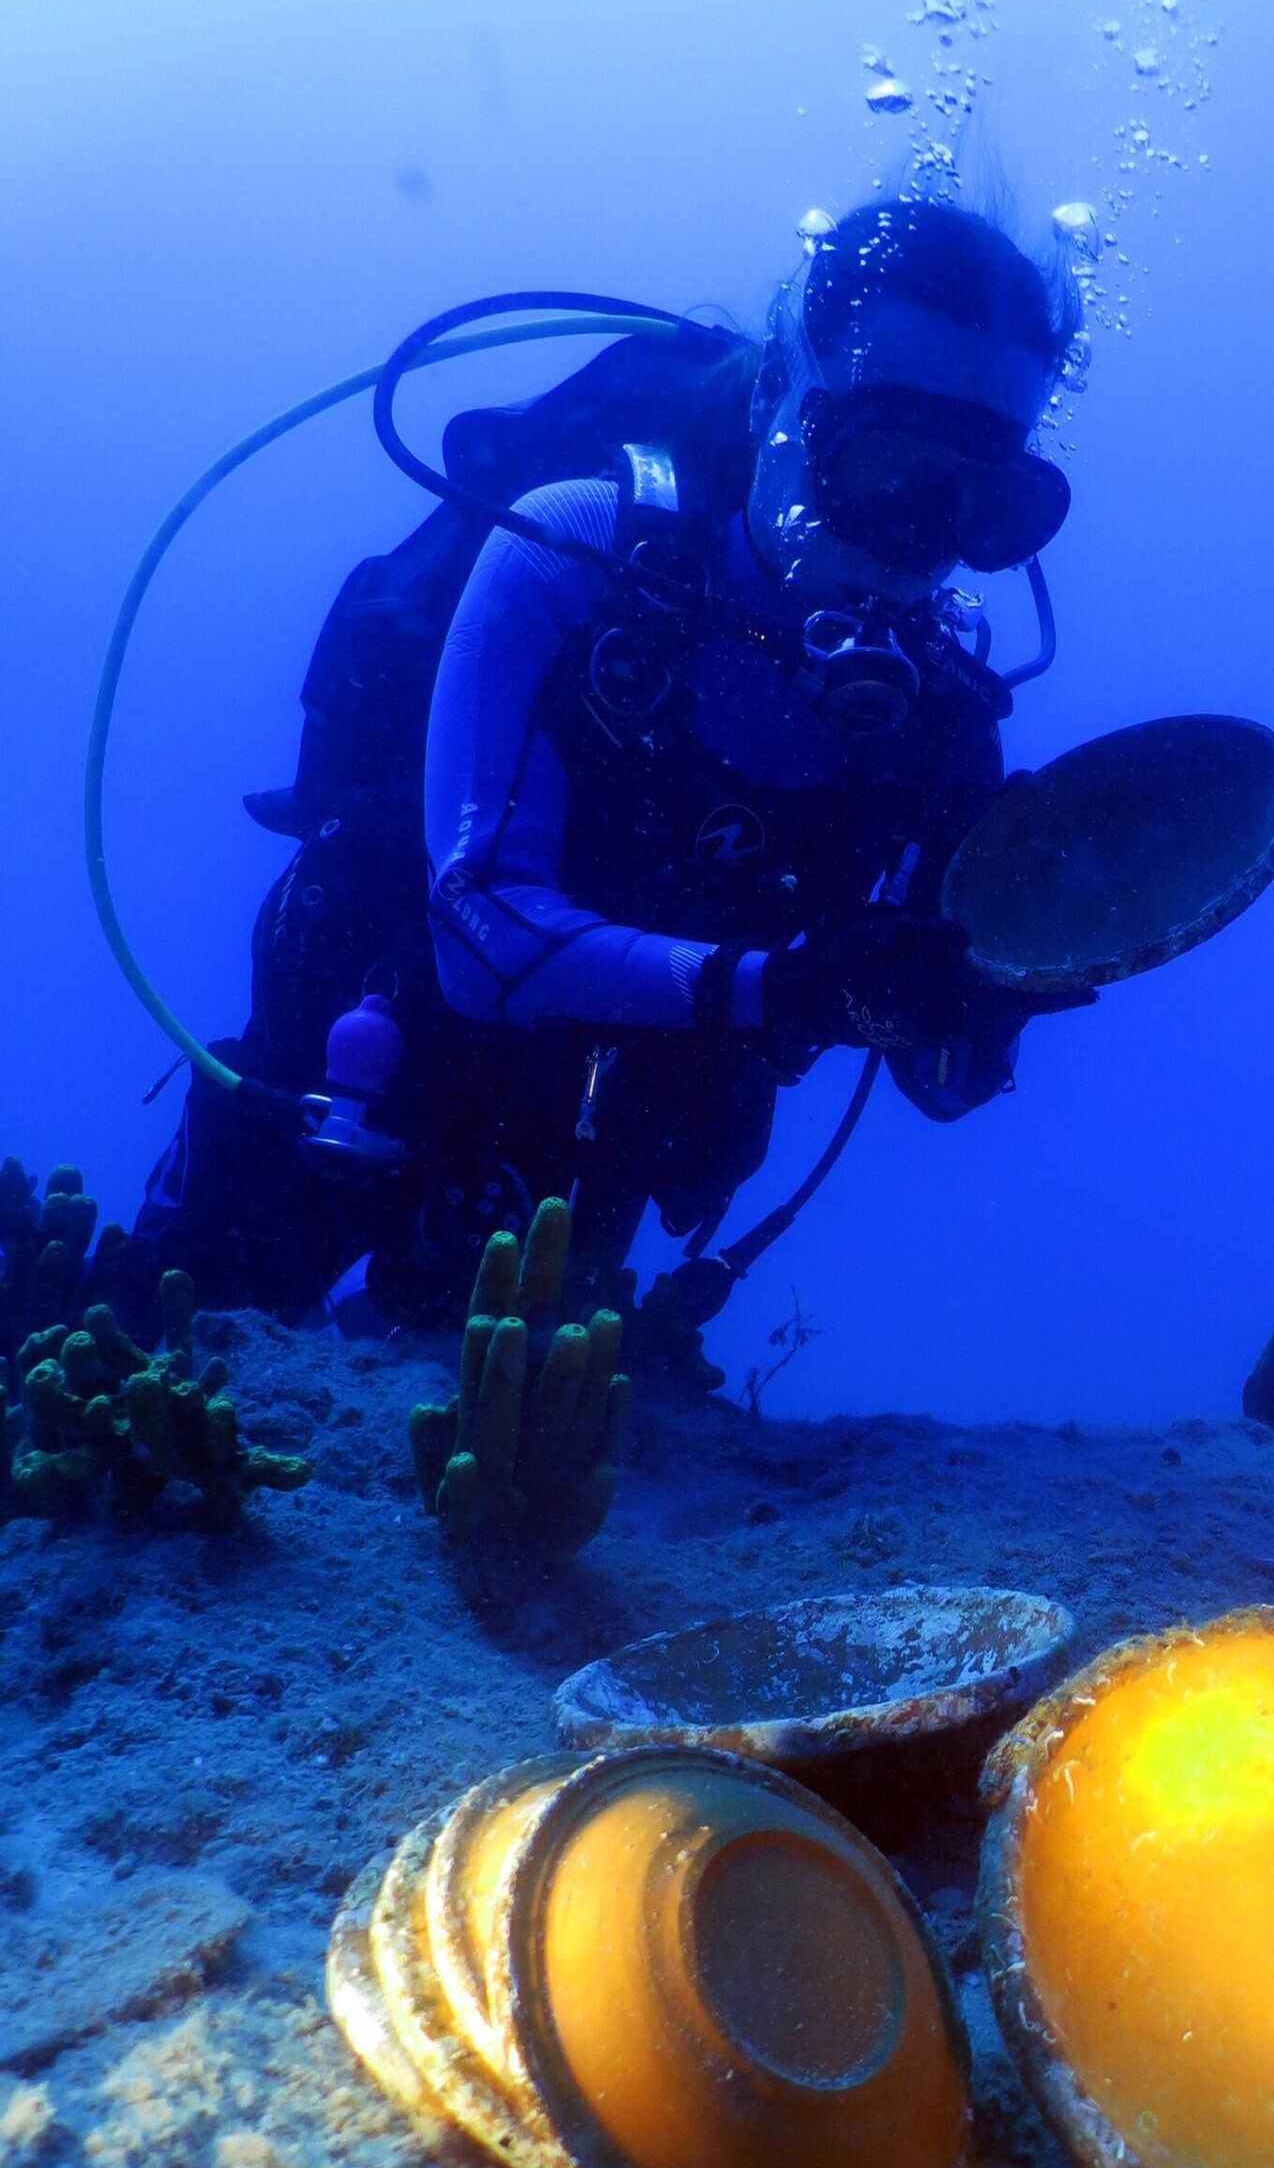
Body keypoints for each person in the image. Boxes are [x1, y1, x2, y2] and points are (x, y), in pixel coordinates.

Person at [133, 201, 1090, 1330]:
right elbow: (479, 932)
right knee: (170, 1347)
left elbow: (943, 1080)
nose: (918, 543)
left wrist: (1014, 962)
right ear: (785, 398)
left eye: (984, 506)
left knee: (525, 1429)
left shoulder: (936, 728)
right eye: (888, 469)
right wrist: (781, 989)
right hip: (359, 1065)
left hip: (602, 1140)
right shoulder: (573, 549)